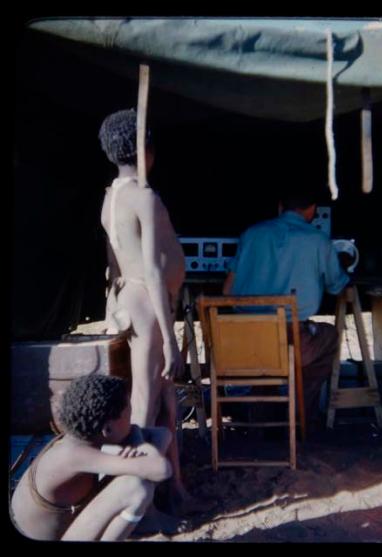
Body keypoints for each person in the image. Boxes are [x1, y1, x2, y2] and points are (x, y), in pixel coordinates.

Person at [98, 109, 206, 515]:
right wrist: (171, 338)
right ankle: (136, 508)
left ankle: (173, 487)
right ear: (147, 150)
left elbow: (113, 263)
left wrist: (116, 305)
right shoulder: (144, 197)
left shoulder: (112, 197)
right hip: (147, 303)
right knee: (143, 407)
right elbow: (156, 272)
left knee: (166, 404)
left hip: (129, 300)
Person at [223, 187, 351, 429]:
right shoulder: (318, 240)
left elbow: (227, 291)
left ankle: (264, 416)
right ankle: (300, 416)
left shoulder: (251, 234)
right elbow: (337, 285)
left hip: (244, 344)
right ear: (313, 210)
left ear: (280, 207)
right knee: (329, 337)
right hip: (290, 343)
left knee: (267, 355)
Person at [10, 375, 176, 541]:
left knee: (155, 443)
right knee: (136, 488)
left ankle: (146, 520)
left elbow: (162, 435)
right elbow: (162, 470)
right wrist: (138, 441)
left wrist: (136, 443)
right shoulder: (73, 455)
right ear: (107, 429)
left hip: (65, 527)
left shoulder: (80, 440)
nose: (131, 423)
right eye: (128, 415)